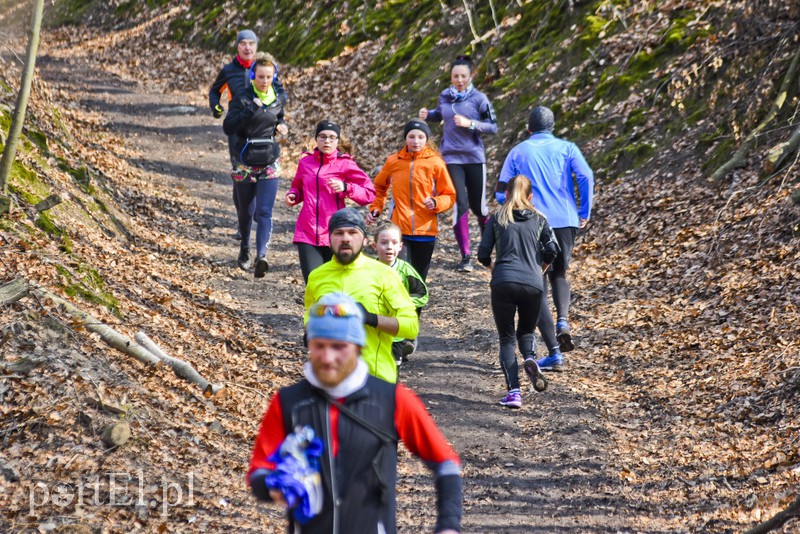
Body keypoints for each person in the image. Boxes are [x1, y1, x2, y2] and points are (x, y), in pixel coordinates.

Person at [248, 292, 462, 533]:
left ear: (358, 347)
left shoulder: (393, 400)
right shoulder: (289, 402)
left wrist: (448, 526)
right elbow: (259, 471)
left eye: (339, 346)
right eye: (319, 346)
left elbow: (446, 464)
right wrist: (274, 486)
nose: (328, 357)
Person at [496, 105, 594, 371]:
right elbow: (585, 175)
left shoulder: (518, 151)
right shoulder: (568, 148)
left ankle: (554, 353)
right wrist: (584, 210)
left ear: (528, 128)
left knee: (535, 285)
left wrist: (512, 208)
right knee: (559, 274)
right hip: (565, 220)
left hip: (532, 221)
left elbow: (500, 190)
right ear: (553, 127)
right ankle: (563, 319)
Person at [305, 208, 419, 383]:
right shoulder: (316, 276)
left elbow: (411, 326)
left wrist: (371, 319)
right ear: (329, 240)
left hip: (376, 379)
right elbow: (309, 319)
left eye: (353, 232)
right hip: (331, 382)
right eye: (338, 233)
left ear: (365, 240)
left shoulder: (384, 274)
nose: (345, 238)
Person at [478, 176, 560, 408]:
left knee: (506, 338)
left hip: (503, 282)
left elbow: (483, 254)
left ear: (506, 194)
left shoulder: (496, 218)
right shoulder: (540, 219)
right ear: (531, 196)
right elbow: (553, 249)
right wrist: (541, 269)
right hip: (533, 283)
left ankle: (514, 392)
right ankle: (531, 358)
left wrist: (494, 268)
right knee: (526, 331)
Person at [419, 55, 497, 273]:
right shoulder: (445, 95)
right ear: (451, 77)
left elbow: (493, 127)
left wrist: (470, 123)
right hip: (451, 158)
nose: (459, 80)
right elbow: (440, 114)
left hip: (474, 158)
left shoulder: (480, 99)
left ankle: (486, 249)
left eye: (463, 76)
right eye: (455, 76)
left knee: (479, 208)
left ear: (470, 76)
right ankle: (466, 256)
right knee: (459, 203)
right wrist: (429, 115)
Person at [209, 30, 288, 240]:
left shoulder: (263, 70)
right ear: (237, 47)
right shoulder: (229, 70)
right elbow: (214, 91)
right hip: (238, 128)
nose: (247, 47)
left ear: (256, 46)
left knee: (262, 167)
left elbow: (281, 93)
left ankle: (257, 212)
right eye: (243, 43)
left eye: (251, 43)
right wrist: (215, 107)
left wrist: (278, 117)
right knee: (241, 174)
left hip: (261, 128)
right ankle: (243, 217)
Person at [285, 120, 376, 283]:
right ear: (316, 139)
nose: (327, 141)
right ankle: (315, 309)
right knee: (313, 282)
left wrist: (346, 187)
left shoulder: (345, 164)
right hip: (308, 231)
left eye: (332, 138)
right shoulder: (305, 163)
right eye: (323, 137)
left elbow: (369, 193)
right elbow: (297, 187)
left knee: (335, 283)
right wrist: (293, 195)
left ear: (338, 141)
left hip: (336, 232)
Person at [223, 54, 288, 277]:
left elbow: (280, 117)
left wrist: (282, 126)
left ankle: (262, 256)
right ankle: (245, 249)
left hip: (270, 160)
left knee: (264, 211)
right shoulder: (242, 97)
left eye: (269, 77)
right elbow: (228, 126)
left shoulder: (278, 97)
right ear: (253, 76)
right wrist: (251, 109)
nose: (264, 81)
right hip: (244, 161)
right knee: (245, 212)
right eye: (260, 77)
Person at [367, 120, 456, 282]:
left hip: (426, 231)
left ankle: (415, 309)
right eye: (411, 136)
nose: (416, 141)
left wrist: (436, 203)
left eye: (421, 137)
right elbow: (379, 187)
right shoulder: (393, 161)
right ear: (405, 138)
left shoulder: (435, 163)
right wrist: (376, 207)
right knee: (396, 277)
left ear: (426, 139)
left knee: (417, 281)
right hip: (399, 229)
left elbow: (449, 195)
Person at [372, 223, 428, 367]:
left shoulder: (406, 270)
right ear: (374, 246)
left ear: (400, 247)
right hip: (372, 330)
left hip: (397, 332)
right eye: (384, 243)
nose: (389, 247)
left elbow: (422, 294)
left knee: (392, 370)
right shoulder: (367, 270)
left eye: (394, 243)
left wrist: (404, 303)